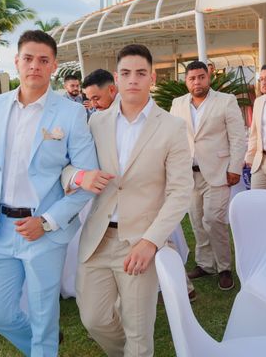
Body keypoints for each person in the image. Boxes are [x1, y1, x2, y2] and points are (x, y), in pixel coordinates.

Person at [0, 30, 98, 356]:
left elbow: (86, 183)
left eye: (43, 60)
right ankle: (42, 343)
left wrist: (47, 222)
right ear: (17, 62)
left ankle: (45, 344)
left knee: (43, 318)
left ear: (53, 67)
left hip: (43, 232)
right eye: (28, 58)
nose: (34, 65)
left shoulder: (70, 113)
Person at [76, 44, 193, 357]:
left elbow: (180, 191)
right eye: (126, 73)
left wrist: (151, 241)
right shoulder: (95, 123)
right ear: (116, 77)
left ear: (151, 77)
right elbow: (70, 168)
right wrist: (78, 177)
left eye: (141, 73)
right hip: (98, 239)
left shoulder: (173, 127)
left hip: (139, 240)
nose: (133, 80)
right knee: (94, 319)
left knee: (138, 331)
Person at [170, 61, 246, 291]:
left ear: (208, 77)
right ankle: (205, 264)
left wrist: (234, 167)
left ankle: (223, 267)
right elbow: (174, 138)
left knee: (213, 219)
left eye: (201, 77)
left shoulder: (226, 101)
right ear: (186, 81)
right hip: (189, 175)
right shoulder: (177, 104)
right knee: (196, 220)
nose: (197, 82)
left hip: (218, 172)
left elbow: (238, 137)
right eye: (192, 78)